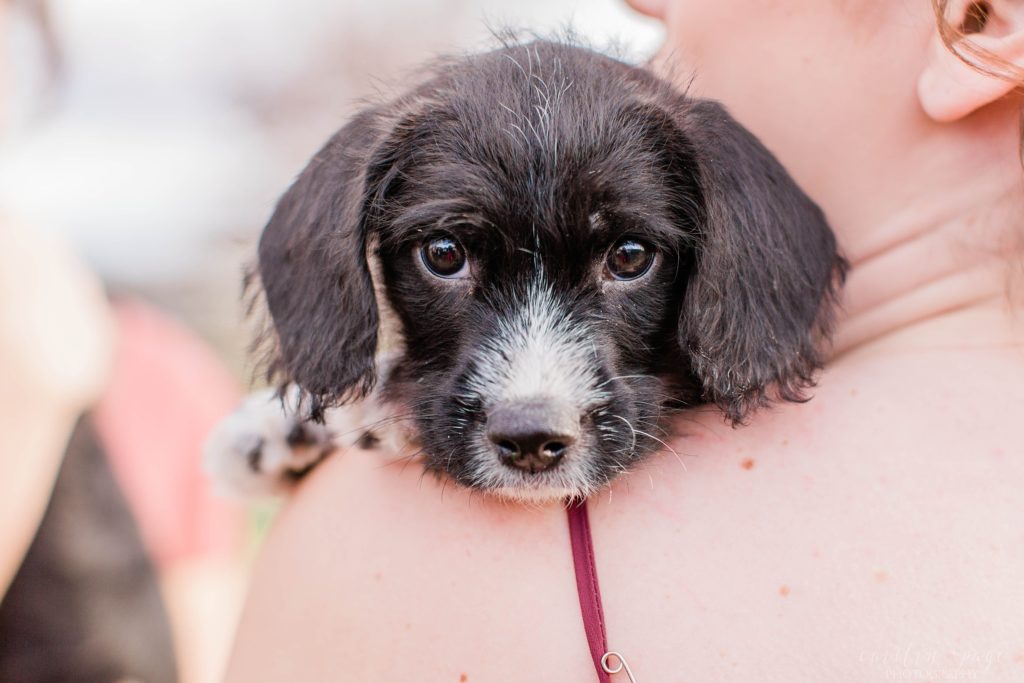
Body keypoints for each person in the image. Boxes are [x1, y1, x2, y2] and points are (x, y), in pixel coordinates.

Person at [225, 1, 1024, 680]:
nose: (641, 2)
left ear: (982, 19)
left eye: (630, 257)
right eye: (445, 255)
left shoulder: (371, 548)